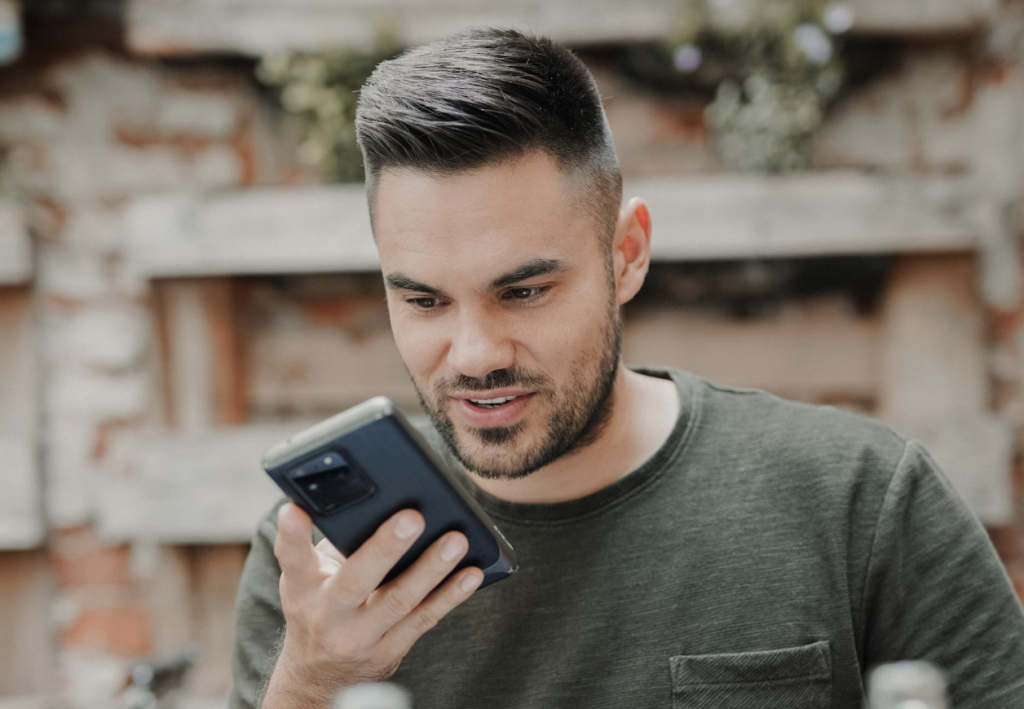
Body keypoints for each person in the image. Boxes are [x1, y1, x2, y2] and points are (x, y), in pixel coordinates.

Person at [229, 29, 1024, 709]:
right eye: (426, 301)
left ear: (627, 254)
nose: (473, 355)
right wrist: (308, 683)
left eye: (526, 290)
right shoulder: (318, 571)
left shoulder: (862, 502)